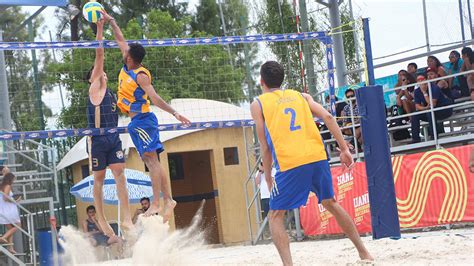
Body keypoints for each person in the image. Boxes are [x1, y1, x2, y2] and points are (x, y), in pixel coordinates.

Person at [250, 61, 373, 265]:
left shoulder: (258, 104)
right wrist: (343, 148)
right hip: (317, 156)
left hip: (290, 162)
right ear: (282, 80)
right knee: (330, 203)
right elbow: (327, 116)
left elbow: (264, 146)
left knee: (275, 215)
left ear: (261, 82)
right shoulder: (301, 96)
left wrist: (268, 176)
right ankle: (364, 252)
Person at [100, 10, 191, 222]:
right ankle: (168, 199)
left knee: (151, 161)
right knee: (152, 160)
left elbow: (156, 98)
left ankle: (158, 201)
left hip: (144, 120)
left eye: (126, 52)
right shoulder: (128, 63)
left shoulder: (140, 75)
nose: (123, 51)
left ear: (130, 57)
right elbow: (120, 38)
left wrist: (175, 112)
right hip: (136, 122)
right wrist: (111, 20)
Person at [85, 18, 133, 237]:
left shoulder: (111, 93)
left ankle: (126, 219)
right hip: (97, 140)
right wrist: (101, 27)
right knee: (99, 179)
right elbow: (100, 54)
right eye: (98, 72)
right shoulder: (95, 88)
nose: (102, 73)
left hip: (113, 137)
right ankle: (102, 220)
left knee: (120, 173)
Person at [411, 74, 453, 143]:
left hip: (443, 109)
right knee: (415, 115)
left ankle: (434, 136)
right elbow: (417, 106)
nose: (420, 81)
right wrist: (425, 108)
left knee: (430, 112)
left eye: (422, 79)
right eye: (418, 80)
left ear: (426, 79)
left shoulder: (434, 87)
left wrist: (424, 92)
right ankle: (415, 139)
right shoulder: (417, 91)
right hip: (431, 110)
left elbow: (432, 104)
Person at [0, 170, 21, 254]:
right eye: (13, 179)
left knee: (10, 228)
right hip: (8, 209)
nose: (14, 181)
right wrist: (15, 201)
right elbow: (5, 198)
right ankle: (3, 237)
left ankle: (10, 247)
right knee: (18, 225)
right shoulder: (8, 186)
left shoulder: (2, 185)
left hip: (4, 209)